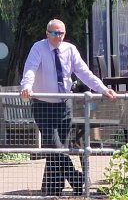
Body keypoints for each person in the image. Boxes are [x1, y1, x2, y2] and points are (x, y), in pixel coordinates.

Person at [20, 19, 117, 196]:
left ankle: (53, 189)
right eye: (55, 33)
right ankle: (78, 180)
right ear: (47, 33)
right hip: (43, 105)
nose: (59, 37)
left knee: (59, 149)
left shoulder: (69, 49)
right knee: (56, 147)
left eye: (62, 33)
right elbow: (30, 69)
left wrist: (102, 89)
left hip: (64, 105)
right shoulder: (38, 48)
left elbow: (84, 72)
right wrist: (27, 86)